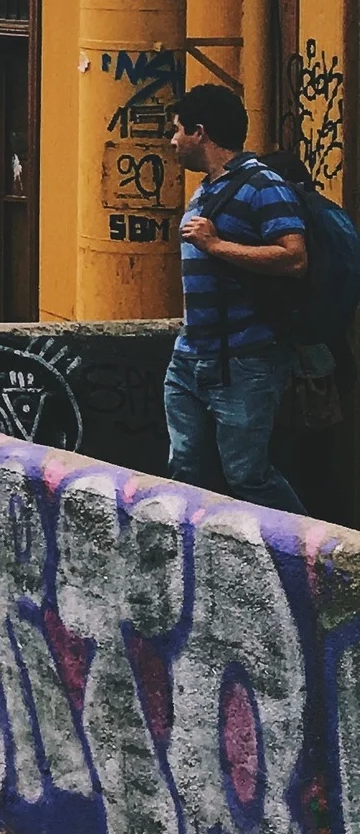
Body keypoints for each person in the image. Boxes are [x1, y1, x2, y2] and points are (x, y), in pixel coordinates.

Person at [166, 82, 307, 512]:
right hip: (190, 357)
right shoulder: (205, 190)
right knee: (184, 470)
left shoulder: (264, 185)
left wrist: (215, 245)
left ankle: (312, 551)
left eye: (177, 130)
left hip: (245, 359)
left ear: (200, 133)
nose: (173, 141)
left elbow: (294, 257)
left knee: (247, 476)